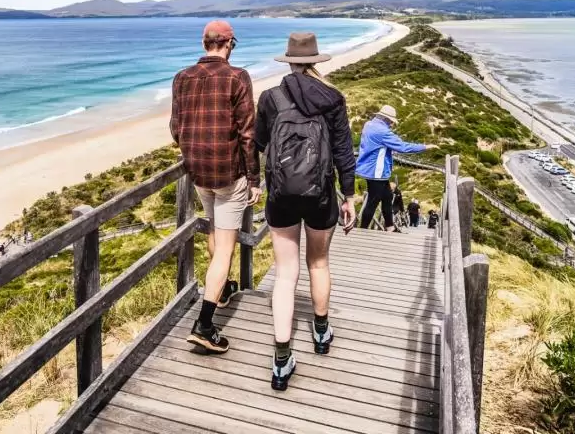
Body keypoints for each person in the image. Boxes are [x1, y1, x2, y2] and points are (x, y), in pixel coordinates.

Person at [255, 32, 357, 391]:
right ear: (315, 61)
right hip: (321, 196)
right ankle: (321, 331)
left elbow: (258, 144)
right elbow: (344, 151)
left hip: (281, 196)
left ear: (289, 61)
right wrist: (349, 196)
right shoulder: (332, 98)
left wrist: (256, 182)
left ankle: (281, 359)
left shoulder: (270, 97)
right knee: (319, 264)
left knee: (285, 274)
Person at [170, 20, 260, 354]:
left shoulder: (182, 77)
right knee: (225, 247)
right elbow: (247, 134)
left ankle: (219, 291)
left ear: (204, 42)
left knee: (214, 232)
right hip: (229, 175)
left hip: (199, 173)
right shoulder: (238, 77)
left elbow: (176, 128)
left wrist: (193, 152)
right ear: (230, 44)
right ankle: (205, 324)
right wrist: (254, 179)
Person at [356, 105, 429, 231]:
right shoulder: (383, 132)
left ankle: (390, 227)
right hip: (376, 171)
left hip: (369, 167)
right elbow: (402, 147)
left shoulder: (369, 125)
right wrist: (424, 147)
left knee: (388, 196)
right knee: (372, 201)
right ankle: (362, 230)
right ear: (386, 119)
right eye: (390, 121)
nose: (391, 124)